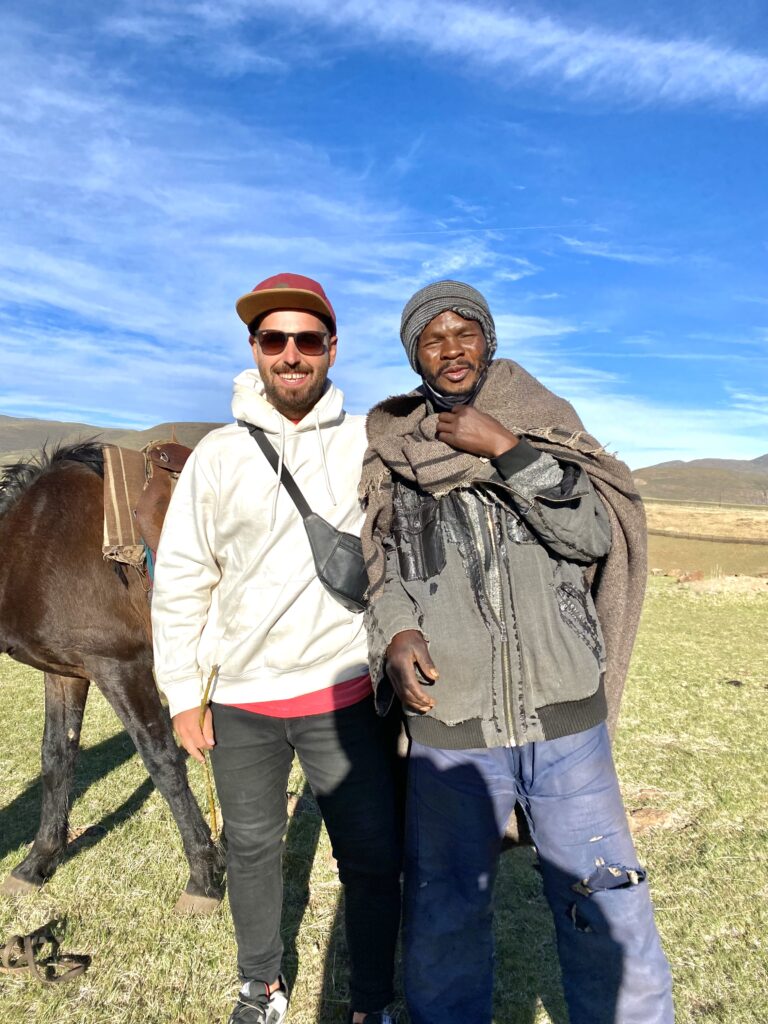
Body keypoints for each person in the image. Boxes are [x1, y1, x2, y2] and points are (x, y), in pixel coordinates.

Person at [359, 280, 674, 1024]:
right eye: (431, 339)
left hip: (565, 720)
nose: (450, 349)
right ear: (416, 356)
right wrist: (399, 630)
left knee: (607, 899)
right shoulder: (396, 448)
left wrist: (505, 449)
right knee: (444, 907)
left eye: (463, 332)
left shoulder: (541, 422)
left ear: (487, 341)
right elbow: (383, 567)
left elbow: (592, 535)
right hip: (452, 724)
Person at [152, 273, 401, 1024]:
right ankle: (260, 986)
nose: (291, 354)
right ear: (255, 350)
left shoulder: (366, 444)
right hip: (243, 703)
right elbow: (184, 580)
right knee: (255, 854)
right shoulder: (219, 457)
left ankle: (371, 1001)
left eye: (307, 339)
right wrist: (181, 695)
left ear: (331, 349)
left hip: (345, 693)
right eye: (274, 339)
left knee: (369, 858)